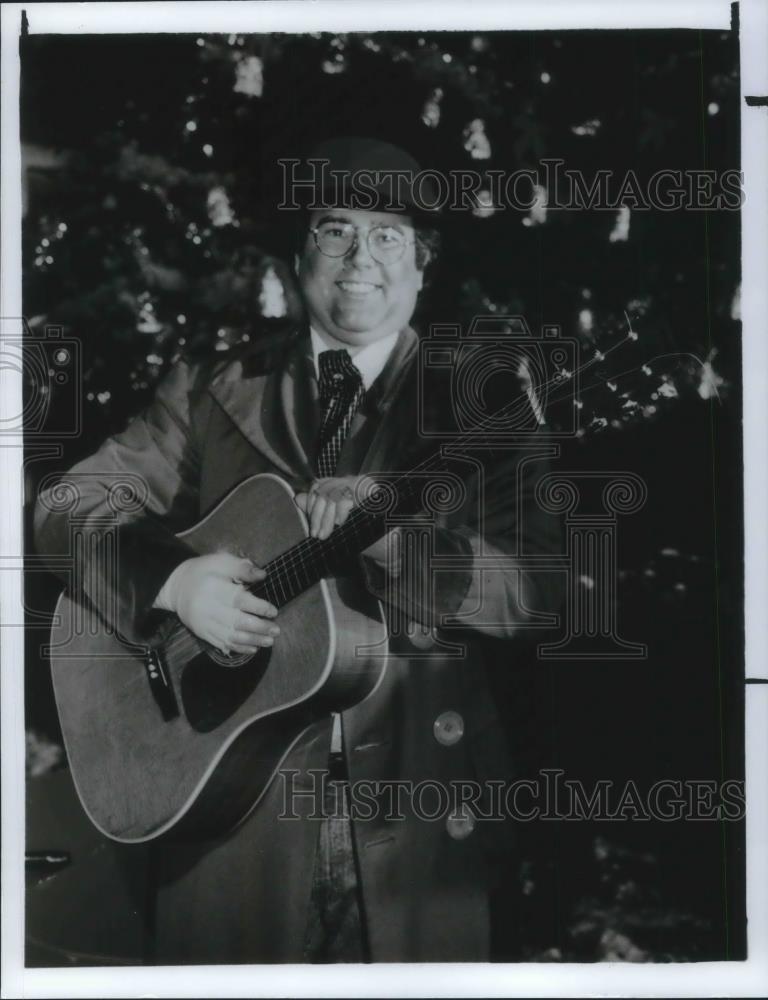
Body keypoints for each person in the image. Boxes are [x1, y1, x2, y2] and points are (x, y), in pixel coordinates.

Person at [34, 137, 563, 964]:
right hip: (226, 808)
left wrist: (393, 533)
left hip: (415, 812)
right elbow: (65, 504)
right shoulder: (214, 383)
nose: (360, 259)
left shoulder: (486, 405)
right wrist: (172, 582)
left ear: (422, 266)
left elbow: (542, 592)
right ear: (299, 255)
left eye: (389, 236)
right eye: (334, 230)